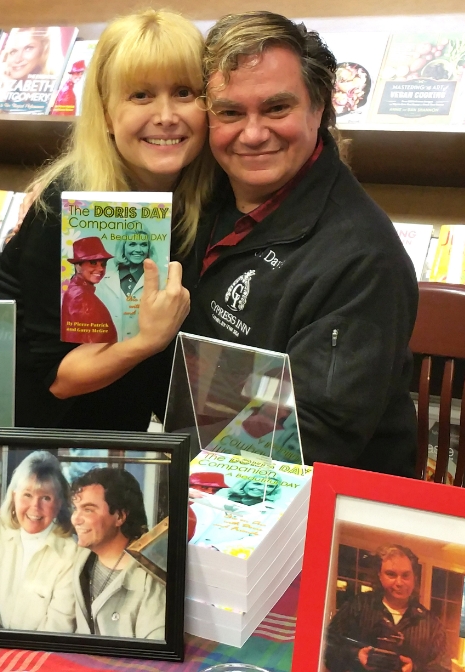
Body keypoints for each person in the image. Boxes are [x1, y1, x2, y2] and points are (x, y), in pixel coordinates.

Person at [0, 9, 216, 431]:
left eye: (184, 92)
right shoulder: (64, 203)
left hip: (110, 397)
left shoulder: (207, 191)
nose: (166, 115)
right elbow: (59, 379)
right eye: (141, 95)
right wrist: (149, 340)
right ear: (107, 114)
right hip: (15, 395)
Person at [182, 12, 418, 474]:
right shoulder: (202, 193)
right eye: (230, 112)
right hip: (206, 454)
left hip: (302, 502)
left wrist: (161, 463)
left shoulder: (364, 257)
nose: (252, 134)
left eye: (276, 108)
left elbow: (311, 436)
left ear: (320, 108)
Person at [0, 451, 79, 631]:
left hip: (40, 645)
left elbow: (58, 626)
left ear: (59, 504)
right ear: (14, 496)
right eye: (27, 495)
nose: (35, 507)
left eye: (46, 498)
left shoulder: (71, 551)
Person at [67, 468, 165, 639]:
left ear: (119, 516)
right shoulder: (81, 559)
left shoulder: (152, 582)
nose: (76, 519)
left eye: (88, 509)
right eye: (76, 509)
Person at [324, 544, 445, 672]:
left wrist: (414, 669)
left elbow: (442, 668)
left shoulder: (432, 625)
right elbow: (326, 648)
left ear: (414, 578)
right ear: (380, 576)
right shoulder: (357, 606)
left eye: (405, 575)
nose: (399, 583)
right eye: (391, 574)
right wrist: (356, 656)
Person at [98, 225, 154, 340]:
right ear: (123, 247)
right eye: (132, 244)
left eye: (143, 244)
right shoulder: (103, 281)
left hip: (147, 352)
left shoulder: (160, 280)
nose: (138, 250)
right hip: (107, 350)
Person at [62, 238, 119, 342]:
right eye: (93, 263)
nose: (101, 269)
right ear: (78, 266)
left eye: (103, 264)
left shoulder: (78, 290)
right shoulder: (81, 297)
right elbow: (90, 343)